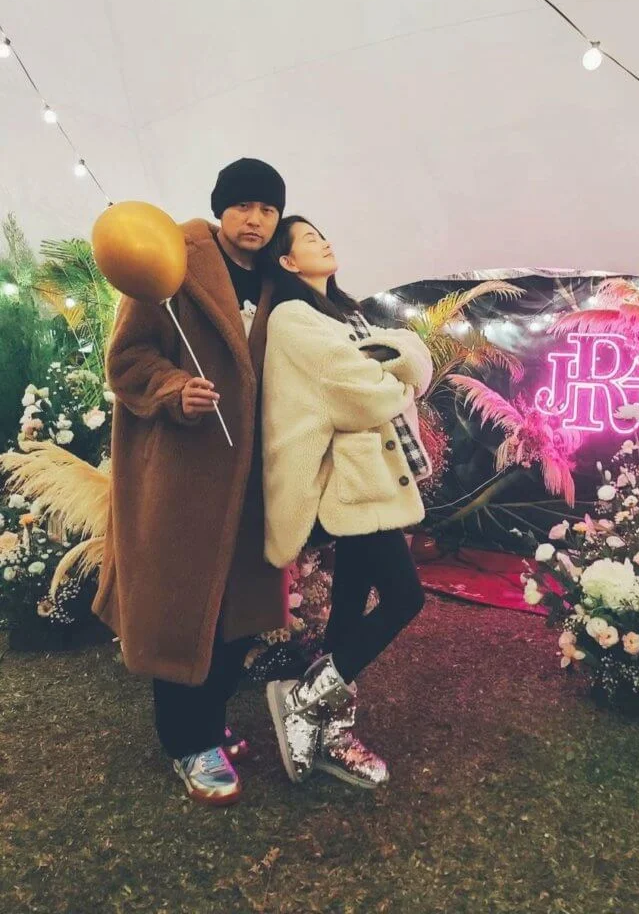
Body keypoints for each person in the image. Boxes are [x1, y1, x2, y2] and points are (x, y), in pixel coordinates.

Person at [94, 158, 292, 806]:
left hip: (253, 476)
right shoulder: (167, 259)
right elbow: (127, 359)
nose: (255, 219)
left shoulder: (278, 277)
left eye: (267, 208)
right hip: (183, 477)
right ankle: (187, 742)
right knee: (183, 610)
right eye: (243, 206)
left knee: (238, 610)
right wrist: (175, 390)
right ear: (220, 208)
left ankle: (209, 721)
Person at [261, 215, 433, 789]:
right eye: (310, 239)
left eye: (323, 234)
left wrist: (394, 369)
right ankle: (305, 699)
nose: (325, 241)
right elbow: (360, 396)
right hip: (347, 483)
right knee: (405, 597)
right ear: (287, 262)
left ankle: (332, 730)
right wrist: (395, 377)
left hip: (369, 479)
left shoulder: (347, 314)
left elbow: (416, 359)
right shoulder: (292, 317)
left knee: (348, 608)